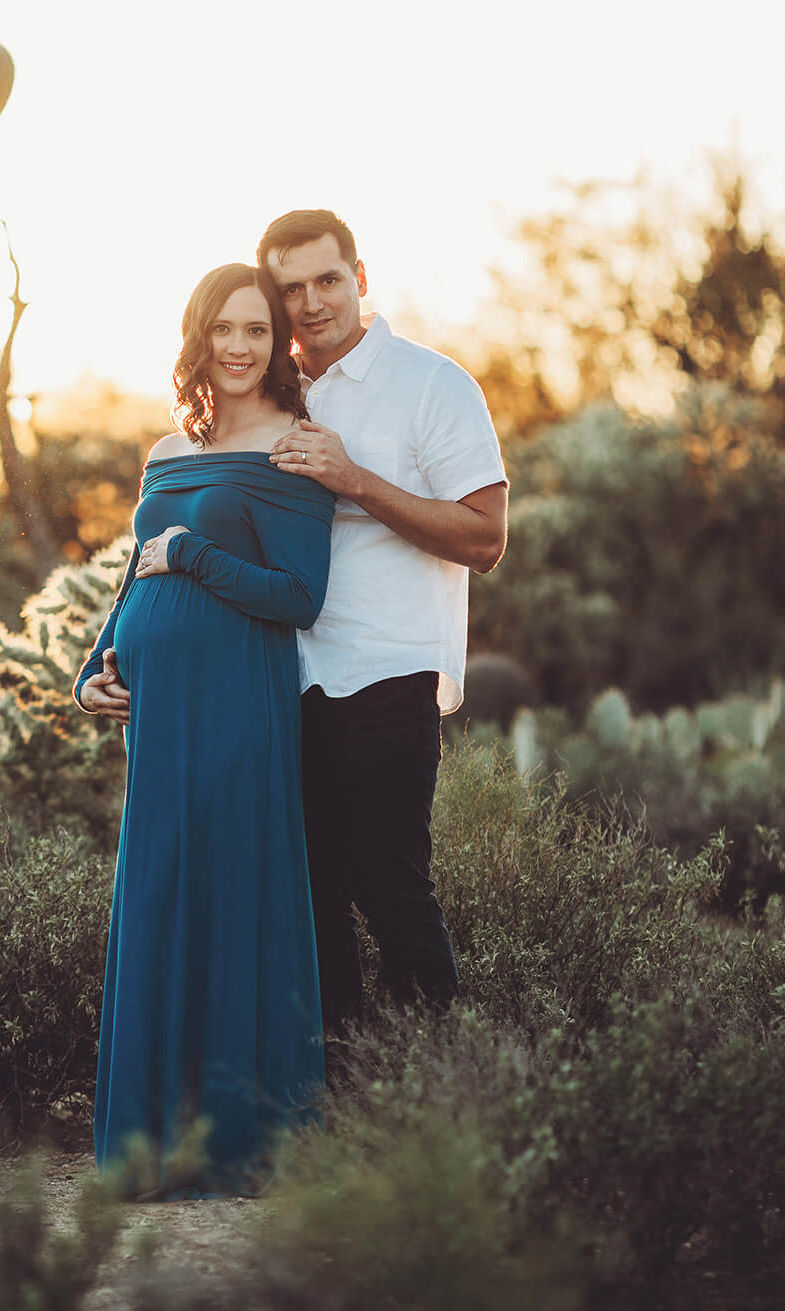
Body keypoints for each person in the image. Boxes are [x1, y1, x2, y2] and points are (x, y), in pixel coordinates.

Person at [73, 263, 334, 1197]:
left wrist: (194, 552)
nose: (237, 346)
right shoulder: (163, 451)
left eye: (257, 330)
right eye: (222, 328)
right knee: (159, 896)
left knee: (230, 896)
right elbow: (134, 575)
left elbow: (298, 596)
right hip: (160, 719)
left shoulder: (295, 450)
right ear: (198, 336)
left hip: (239, 705)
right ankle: (149, 1143)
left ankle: (235, 1143)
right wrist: (94, 668)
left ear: (279, 344)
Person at [258, 209, 508, 1032]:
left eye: (328, 280)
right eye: (289, 289)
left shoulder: (432, 383)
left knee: (389, 882)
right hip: (286, 676)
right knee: (311, 891)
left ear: (360, 279)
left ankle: (438, 1089)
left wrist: (355, 480)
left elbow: (485, 538)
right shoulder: (266, 397)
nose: (312, 302)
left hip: (389, 674)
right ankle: (336, 1093)